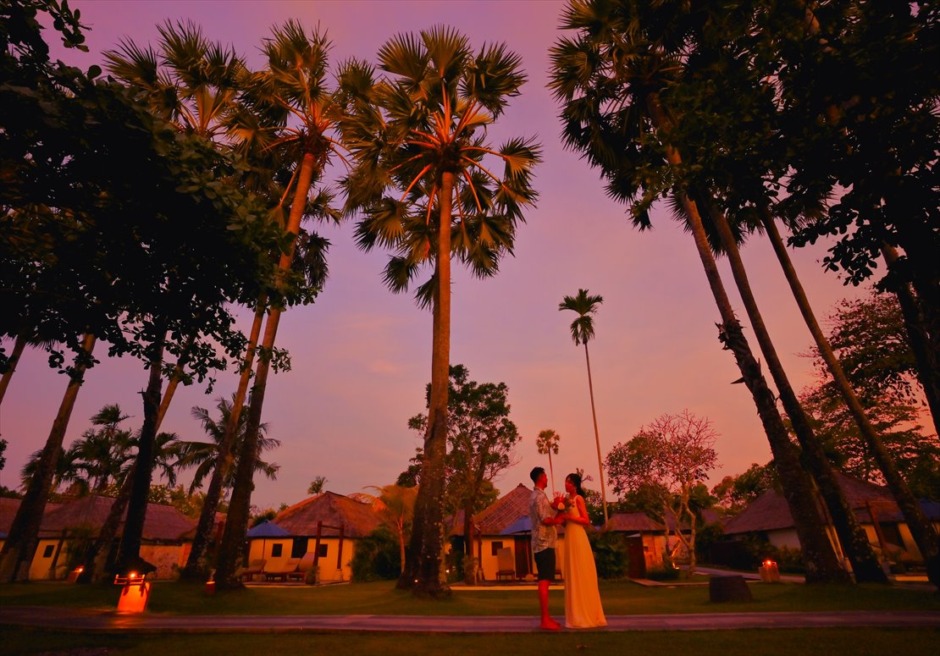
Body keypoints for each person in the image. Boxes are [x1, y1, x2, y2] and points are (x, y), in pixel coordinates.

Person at [560, 472, 607, 629]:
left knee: (580, 570)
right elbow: (565, 522)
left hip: (578, 536)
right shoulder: (566, 501)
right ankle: (574, 614)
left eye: (568, 482)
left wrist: (569, 517)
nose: (566, 484)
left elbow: (586, 520)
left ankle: (586, 613)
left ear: (574, 484)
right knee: (572, 571)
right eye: (565, 481)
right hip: (569, 536)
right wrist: (562, 516)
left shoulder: (578, 499)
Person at [529, 466, 562, 630]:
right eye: (546, 477)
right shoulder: (539, 497)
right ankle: (544, 620)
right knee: (544, 580)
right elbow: (545, 520)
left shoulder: (537, 496)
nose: (548, 479)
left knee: (545, 579)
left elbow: (547, 513)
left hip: (542, 543)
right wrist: (560, 518)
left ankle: (547, 617)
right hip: (543, 543)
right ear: (541, 477)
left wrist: (556, 507)